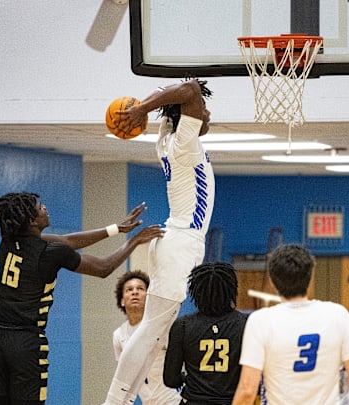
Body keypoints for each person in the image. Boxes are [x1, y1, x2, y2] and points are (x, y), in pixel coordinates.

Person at [0, 192, 164, 405]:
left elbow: (67, 241)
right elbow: (103, 268)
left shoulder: (9, 241)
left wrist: (115, 229)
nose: (45, 207)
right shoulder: (50, 252)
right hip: (25, 342)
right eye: (40, 207)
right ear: (31, 220)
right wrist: (134, 241)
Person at [104, 78, 214, 405]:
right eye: (201, 109)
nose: (206, 112)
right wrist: (140, 108)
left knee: (153, 336)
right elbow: (191, 89)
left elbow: (185, 102)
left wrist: (157, 108)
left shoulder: (168, 138)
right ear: (187, 115)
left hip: (173, 241)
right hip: (181, 243)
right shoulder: (182, 142)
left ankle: (130, 400)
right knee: (149, 333)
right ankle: (113, 401)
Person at [231, 244, 349, 405]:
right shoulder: (337, 315)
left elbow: (248, 390)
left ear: (272, 281)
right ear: (310, 277)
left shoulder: (260, 321)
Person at [163, 262, 249, 404]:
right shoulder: (247, 324)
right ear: (231, 289)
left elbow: (171, 380)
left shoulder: (182, 325)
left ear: (196, 292)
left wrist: (189, 378)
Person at [113, 270, 181, 405]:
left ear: (149, 297)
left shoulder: (162, 326)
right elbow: (125, 376)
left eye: (140, 289)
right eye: (129, 289)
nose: (135, 292)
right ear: (122, 301)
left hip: (174, 400)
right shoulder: (119, 335)